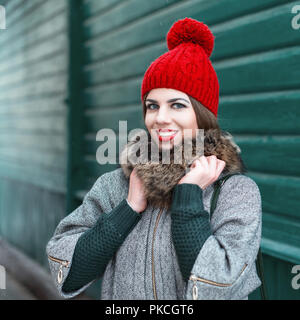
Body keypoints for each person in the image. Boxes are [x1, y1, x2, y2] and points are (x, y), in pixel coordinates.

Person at [46, 17, 262, 300]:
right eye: (152, 105)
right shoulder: (116, 185)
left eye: (177, 105)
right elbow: (69, 272)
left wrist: (188, 195)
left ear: (202, 113)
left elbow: (216, 285)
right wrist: (128, 209)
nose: (160, 118)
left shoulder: (235, 193)